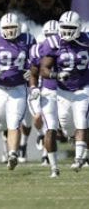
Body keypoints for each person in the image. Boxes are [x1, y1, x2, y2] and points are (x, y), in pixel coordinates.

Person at [0, 12, 34, 170]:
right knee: (0, 122)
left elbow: (37, 60)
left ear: (19, 27)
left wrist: (32, 70)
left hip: (18, 88)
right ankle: (7, 146)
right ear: (2, 28)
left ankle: (13, 154)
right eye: (7, 28)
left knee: (14, 123)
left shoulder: (28, 40)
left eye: (13, 27)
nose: (10, 31)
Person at [40, 11, 89, 173]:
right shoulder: (54, 42)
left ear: (79, 28)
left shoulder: (86, 40)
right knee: (67, 126)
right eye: (64, 27)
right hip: (63, 90)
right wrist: (56, 75)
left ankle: (79, 159)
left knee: (81, 118)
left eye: (71, 27)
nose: (67, 30)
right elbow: (44, 68)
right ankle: (80, 148)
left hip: (83, 87)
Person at [29, 20, 60, 177]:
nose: (51, 39)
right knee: (39, 118)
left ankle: (45, 151)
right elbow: (32, 72)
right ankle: (41, 136)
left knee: (55, 126)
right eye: (49, 35)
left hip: (55, 90)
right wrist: (33, 87)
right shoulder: (38, 49)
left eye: (54, 35)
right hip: (40, 90)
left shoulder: (64, 48)